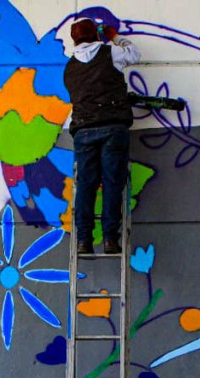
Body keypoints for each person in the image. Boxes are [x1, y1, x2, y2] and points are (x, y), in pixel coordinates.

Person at [63, 18, 141, 255]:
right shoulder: (111, 52)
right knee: (112, 184)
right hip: (112, 128)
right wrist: (115, 36)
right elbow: (133, 54)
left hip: (84, 130)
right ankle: (109, 240)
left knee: (86, 186)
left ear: (74, 39)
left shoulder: (69, 67)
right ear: (96, 35)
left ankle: (84, 241)